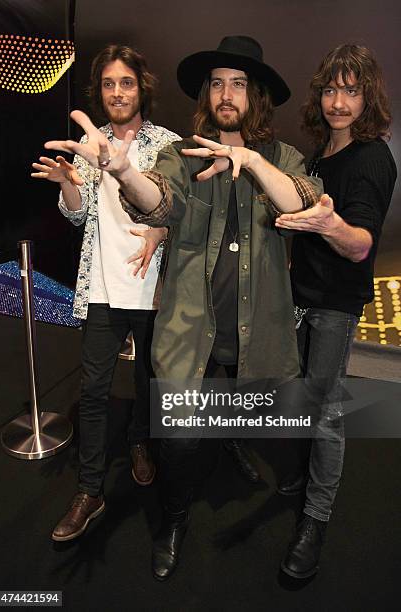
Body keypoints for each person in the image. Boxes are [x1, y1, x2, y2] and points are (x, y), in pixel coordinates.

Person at [44, 35, 322, 578]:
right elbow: (159, 199)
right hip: (190, 327)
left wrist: (248, 161)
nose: (226, 93)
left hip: (253, 330)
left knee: (249, 413)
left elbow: (301, 200)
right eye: (217, 83)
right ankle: (173, 518)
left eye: (238, 84)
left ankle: (232, 442)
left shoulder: (282, 157)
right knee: (178, 437)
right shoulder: (179, 154)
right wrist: (124, 173)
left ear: (256, 95)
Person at [32, 44, 180, 542]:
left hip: (153, 286)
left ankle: (140, 440)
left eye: (127, 82)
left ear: (142, 88)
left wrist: (161, 231)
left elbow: (179, 210)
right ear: (102, 92)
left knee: (146, 382)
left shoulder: (166, 143)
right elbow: (77, 214)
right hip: (102, 286)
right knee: (93, 391)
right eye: (110, 84)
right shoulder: (89, 140)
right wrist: (69, 182)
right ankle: (90, 490)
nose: (118, 92)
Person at [275, 44, 397, 578]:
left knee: (325, 413)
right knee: (303, 394)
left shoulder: (372, 156)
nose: (339, 102)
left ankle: (315, 518)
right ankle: (302, 478)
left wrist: (329, 226)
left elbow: (362, 244)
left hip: (335, 307)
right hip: (301, 297)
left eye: (351, 90)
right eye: (331, 89)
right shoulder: (322, 153)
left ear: (368, 97)